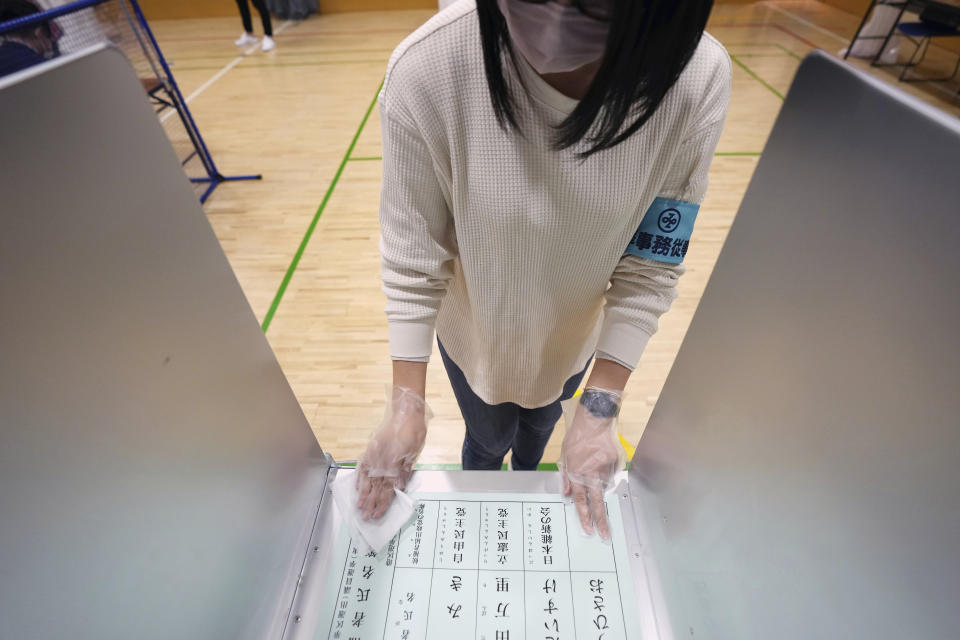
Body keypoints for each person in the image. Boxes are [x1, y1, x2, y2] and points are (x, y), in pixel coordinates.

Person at [356, 0, 731, 540]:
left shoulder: (694, 79)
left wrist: (599, 408)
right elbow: (414, 257)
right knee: (485, 440)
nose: (552, 22)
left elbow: (651, 261)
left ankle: (527, 475)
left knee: (540, 428)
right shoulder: (429, 67)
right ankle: (488, 479)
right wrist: (404, 404)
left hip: (573, 336)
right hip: (475, 337)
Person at [0, 0, 62, 78]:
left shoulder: (5, 55)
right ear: (40, 32)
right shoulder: (39, 66)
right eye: (49, 38)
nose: (50, 46)